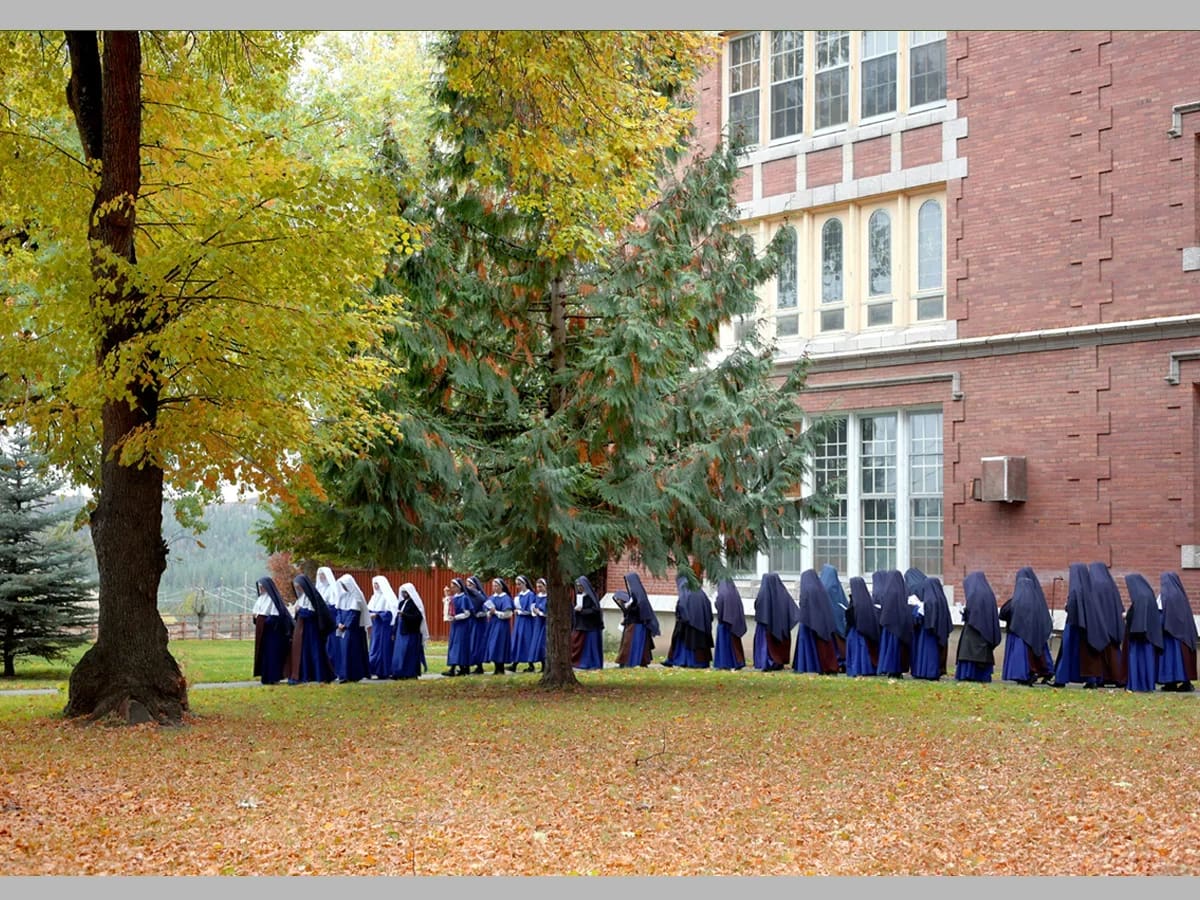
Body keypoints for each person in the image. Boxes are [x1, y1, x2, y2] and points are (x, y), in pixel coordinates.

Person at [999, 567, 1055, 685]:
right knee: (1038, 653)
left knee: (1022, 654)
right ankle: (1045, 670)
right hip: (1037, 635)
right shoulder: (1038, 598)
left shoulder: (1017, 600)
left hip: (1019, 634)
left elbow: (1004, 613)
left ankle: (1024, 674)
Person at [1084, 561, 1127, 688]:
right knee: (1113, 653)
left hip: (1098, 623)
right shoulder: (1110, 585)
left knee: (1098, 652)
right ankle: (1118, 677)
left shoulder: (1092, 585)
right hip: (1112, 623)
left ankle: (1100, 678)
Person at [288, 573, 336, 684]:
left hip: (312, 629)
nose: (298, 589)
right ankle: (306, 674)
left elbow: (312, 613)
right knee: (304, 651)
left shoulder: (313, 596)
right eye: (296, 587)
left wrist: (299, 610)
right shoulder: (302, 597)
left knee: (315, 651)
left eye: (299, 586)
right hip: (303, 628)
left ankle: (320, 675)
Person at [955, 570, 1001, 682]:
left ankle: (968, 674)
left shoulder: (975, 594)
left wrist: (964, 612)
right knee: (982, 656)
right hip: (985, 633)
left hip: (973, 632)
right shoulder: (988, 593)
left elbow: (973, 613)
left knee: (970, 653)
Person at [1121, 572, 1163, 693]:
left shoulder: (1139, 597)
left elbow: (1135, 616)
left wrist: (1126, 616)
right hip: (1149, 637)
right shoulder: (1148, 594)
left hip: (1139, 637)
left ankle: (1135, 685)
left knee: (1136, 661)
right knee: (1148, 661)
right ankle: (1147, 685)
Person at [792, 569, 839, 675]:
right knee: (821, 647)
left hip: (807, 622)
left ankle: (805, 666)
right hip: (821, 623)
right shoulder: (820, 588)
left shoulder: (807, 589)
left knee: (808, 646)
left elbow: (804, 604)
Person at [1157, 571, 1197, 692]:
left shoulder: (1164, 596)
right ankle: (1185, 682)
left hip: (1169, 635)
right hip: (1183, 636)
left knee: (1170, 659)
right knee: (1182, 658)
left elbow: (1160, 614)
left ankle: (1170, 683)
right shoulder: (1181, 595)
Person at [663, 574, 714, 668]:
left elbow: (682, 606)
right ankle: (700, 662)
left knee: (683, 640)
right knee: (698, 645)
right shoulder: (700, 592)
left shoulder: (685, 591)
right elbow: (708, 607)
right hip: (702, 625)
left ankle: (682, 660)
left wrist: (682, 618)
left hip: (688, 625)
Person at [752, 572, 800, 671]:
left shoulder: (763, 594)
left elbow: (758, 607)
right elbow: (792, 610)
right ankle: (778, 662)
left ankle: (765, 662)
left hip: (765, 627)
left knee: (766, 643)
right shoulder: (783, 593)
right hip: (781, 628)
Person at [252, 576, 293, 685]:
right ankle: (266, 677)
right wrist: (257, 618)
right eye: (260, 587)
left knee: (273, 655)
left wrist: (262, 619)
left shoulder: (273, 599)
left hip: (274, 633)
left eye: (263, 587)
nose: (261, 589)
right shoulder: (261, 599)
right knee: (265, 655)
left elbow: (276, 617)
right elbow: (257, 614)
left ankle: (273, 677)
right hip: (264, 632)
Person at [615, 572, 660, 668]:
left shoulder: (638, 593)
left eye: (628, 581)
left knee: (632, 643)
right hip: (633, 623)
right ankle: (628, 662)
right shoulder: (634, 593)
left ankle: (632, 662)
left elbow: (640, 608)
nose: (627, 584)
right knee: (630, 643)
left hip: (637, 624)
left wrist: (629, 606)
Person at [911, 576, 951, 680]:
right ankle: (934, 672)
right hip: (938, 632)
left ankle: (926, 672)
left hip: (928, 633)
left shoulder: (930, 600)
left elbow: (925, 616)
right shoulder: (941, 598)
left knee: (927, 653)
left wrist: (917, 608)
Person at [333, 573, 371, 683]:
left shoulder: (357, 597)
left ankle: (352, 675)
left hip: (352, 629)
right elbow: (338, 612)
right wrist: (339, 623)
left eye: (345, 585)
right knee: (342, 651)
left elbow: (354, 614)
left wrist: (346, 625)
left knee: (350, 651)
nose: (344, 587)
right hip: (342, 627)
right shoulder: (342, 596)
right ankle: (343, 674)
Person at [874, 570, 912, 677]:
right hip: (900, 625)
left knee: (889, 648)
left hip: (889, 626)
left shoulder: (888, 591)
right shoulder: (904, 590)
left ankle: (889, 669)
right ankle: (897, 670)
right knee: (898, 649)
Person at [844, 576, 881, 677]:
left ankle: (857, 669)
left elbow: (852, 618)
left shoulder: (856, 601)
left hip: (857, 632)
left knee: (858, 652)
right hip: (862, 632)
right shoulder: (866, 599)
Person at [391, 581, 429, 680]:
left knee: (408, 653)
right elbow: (396, 618)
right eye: (402, 592)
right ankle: (398, 672)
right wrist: (394, 631)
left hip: (410, 632)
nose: (404, 594)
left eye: (405, 592)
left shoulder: (414, 604)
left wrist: (404, 615)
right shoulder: (401, 603)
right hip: (401, 631)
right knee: (399, 653)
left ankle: (409, 673)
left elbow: (417, 617)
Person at [819, 564, 851, 672]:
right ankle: (842, 663)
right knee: (839, 644)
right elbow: (842, 603)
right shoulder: (836, 587)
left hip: (824, 622)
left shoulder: (821, 586)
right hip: (837, 621)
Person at [483, 577, 516, 675]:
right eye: (493, 586)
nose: (494, 587)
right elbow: (486, 611)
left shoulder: (505, 598)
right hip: (493, 624)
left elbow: (508, 614)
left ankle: (500, 668)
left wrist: (495, 612)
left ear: (501, 586)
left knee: (499, 645)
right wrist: (489, 613)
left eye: (496, 585)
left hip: (502, 625)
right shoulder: (492, 597)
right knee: (492, 645)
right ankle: (496, 667)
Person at [367, 575, 398, 679]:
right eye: (374, 584)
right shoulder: (374, 597)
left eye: (377, 584)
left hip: (385, 627)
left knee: (383, 648)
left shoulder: (388, 597)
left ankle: (384, 671)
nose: (375, 586)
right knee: (374, 647)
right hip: (376, 626)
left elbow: (391, 613)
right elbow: (369, 609)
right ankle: (373, 669)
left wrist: (378, 615)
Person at [713, 578, 747, 671]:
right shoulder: (734, 592)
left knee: (724, 644)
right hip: (733, 623)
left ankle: (724, 663)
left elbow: (719, 604)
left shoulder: (722, 592)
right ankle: (737, 662)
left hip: (724, 622)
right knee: (734, 645)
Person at [571, 575, 605, 669]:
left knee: (591, 646)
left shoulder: (591, 596)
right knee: (577, 644)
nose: (579, 588)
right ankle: (579, 663)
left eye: (580, 586)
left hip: (591, 626)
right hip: (581, 624)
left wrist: (581, 611)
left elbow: (595, 610)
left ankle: (592, 664)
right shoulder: (578, 596)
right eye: (577, 586)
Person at [509, 575, 542, 673]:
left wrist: (519, 611)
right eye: (516, 584)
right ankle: (515, 663)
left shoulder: (530, 595)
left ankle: (530, 664)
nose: (517, 586)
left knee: (526, 641)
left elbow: (530, 610)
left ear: (525, 583)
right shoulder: (519, 595)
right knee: (517, 640)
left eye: (519, 584)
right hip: (519, 621)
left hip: (527, 622)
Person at [315, 566, 341, 682]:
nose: (321, 577)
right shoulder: (318, 588)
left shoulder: (333, 589)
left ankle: (335, 669)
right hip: (320, 620)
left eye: (323, 575)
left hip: (330, 619)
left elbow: (335, 605)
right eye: (319, 575)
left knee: (332, 645)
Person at [443, 578, 474, 677]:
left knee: (460, 646)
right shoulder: (453, 598)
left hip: (462, 626)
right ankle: (455, 667)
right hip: (455, 625)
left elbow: (467, 613)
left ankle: (460, 667)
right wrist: (447, 596)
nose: (452, 588)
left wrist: (455, 617)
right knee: (453, 645)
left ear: (459, 587)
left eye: (454, 586)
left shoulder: (464, 598)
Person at [465, 575, 491, 675]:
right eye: (467, 584)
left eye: (470, 584)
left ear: (476, 585)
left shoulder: (481, 596)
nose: (468, 586)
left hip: (480, 623)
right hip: (471, 622)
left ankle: (479, 666)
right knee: (470, 644)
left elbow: (488, 608)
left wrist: (483, 613)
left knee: (478, 644)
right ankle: (469, 665)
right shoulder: (468, 596)